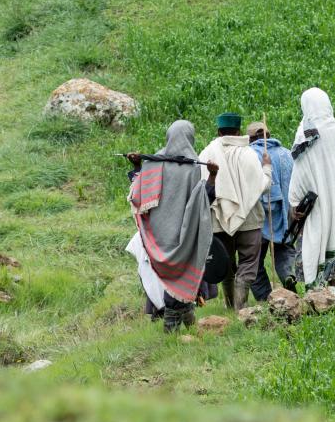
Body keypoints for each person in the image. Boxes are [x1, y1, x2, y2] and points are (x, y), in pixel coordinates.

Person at [124, 120, 214, 333]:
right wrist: (213, 176)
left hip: (157, 235)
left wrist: (137, 166)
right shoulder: (193, 167)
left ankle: (188, 327)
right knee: (180, 276)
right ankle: (171, 331)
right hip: (182, 235)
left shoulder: (154, 163)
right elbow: (204, 200)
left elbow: (139, 192)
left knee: (164, 279)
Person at [198, 112, 272, 311]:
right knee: (248, 263)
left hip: (218, 221)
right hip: (248, 218)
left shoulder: (206, 154)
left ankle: (230, 306)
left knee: (226, 265)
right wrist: (267, 168)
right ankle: (242, 306)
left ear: (218, 131)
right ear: (239, 131)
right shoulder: (247, 153)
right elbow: (262, 185)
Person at [287, 88, 335, 288]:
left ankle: (319, 297)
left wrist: (294, 201)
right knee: (332, 237)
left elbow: (300, 169)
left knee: (315, 241)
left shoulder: (306, 132)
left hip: (316, 201)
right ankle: (331, 292)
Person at [245, 121, 296, 298]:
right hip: (286, 212)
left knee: (253, 261)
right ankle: (289, 277)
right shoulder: (286, 154)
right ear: (269, 134)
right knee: (284, 250)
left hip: (259, 215)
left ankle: (265, 299)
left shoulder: (249, 154)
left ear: (250, 138)